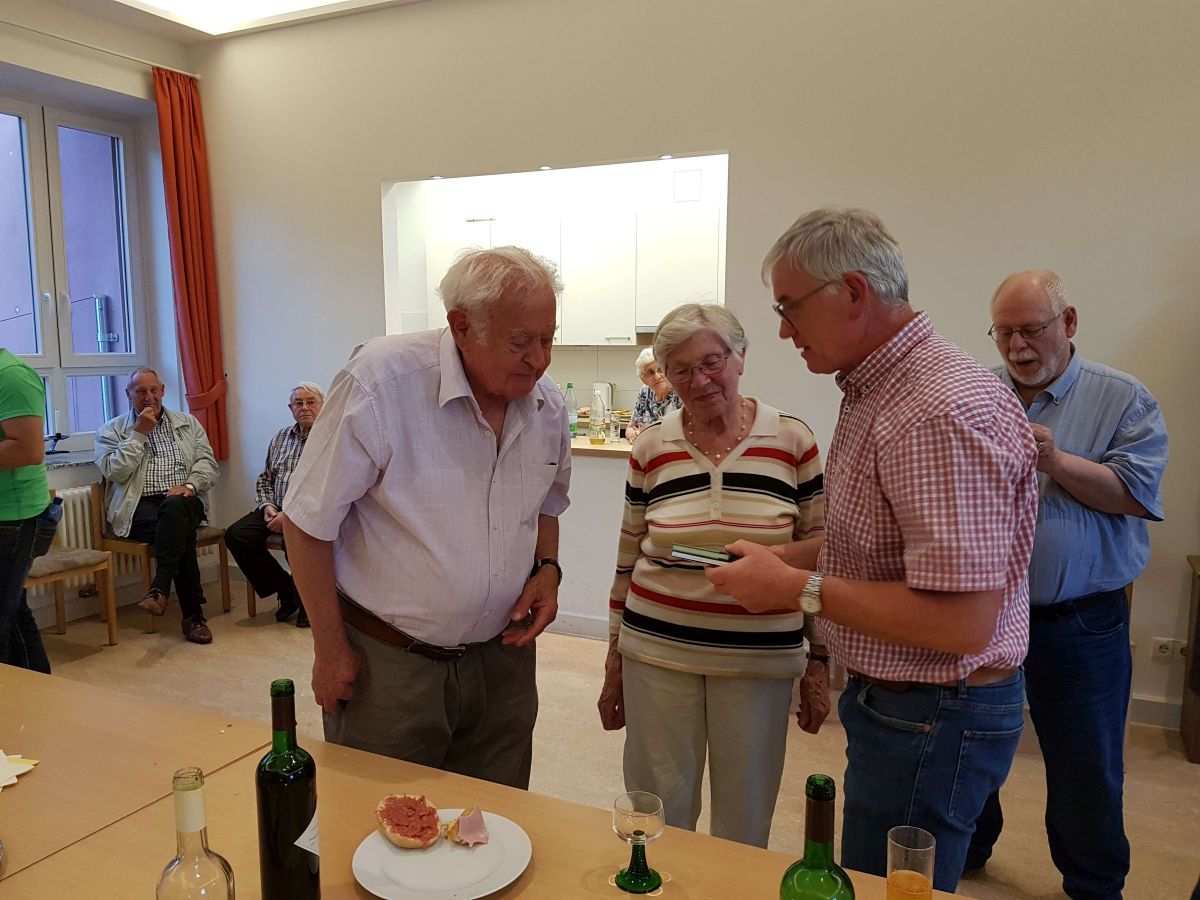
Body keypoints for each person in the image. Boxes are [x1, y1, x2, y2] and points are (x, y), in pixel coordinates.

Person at [707, 208, 1039, 891]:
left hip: (931, 710)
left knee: (891, 885)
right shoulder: (881, 386)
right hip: (908, 706)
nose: (783, 330)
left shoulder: (933, 407)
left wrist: (794, 590)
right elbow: (885, 544)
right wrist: (787, 558)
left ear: (853, 292)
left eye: (789, 307)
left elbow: (962, 621)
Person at [283, 246, 571, 789]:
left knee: (494, 818)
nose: (539, 360)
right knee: (380, 818)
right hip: (390, 662)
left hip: (504, 660)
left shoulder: (546, 404)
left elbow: (546, 503)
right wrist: (330, 649)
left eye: (547, 339)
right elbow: (305, 524)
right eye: (520, 342)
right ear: (461, 327)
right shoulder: (380, 383)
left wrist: (548, 568)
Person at [963, 271, 1168, 898]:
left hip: (1082, 619)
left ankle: (1094, 884)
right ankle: (969, 851)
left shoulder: (1122, 397)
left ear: (1069, 322)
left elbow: (1136, 494)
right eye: (1004, 333)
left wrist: (1055, 462)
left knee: (1087, 764)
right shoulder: (977, 393)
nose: (1017, 346)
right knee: (973, 743)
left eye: (1031, 330)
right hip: (986, 612)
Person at [598, 303, 829, 849]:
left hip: (758, 659)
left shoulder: (793, 441)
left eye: (711, 362)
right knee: (656, 809)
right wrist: (614, 656)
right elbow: (628, 555)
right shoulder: (650, 446)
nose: (699, 381)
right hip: (656, 650)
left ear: (740, 357)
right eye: (680, 369)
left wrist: (820, 658)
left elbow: (822, 556)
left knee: (745, 817)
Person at [96, 368, 219, 645]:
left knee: (175, 509)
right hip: (139, 506)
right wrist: (139, 434)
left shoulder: (188, 423)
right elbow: (115, 472)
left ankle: (160, 586)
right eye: (140, 391)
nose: (148, 397)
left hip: (186, 498)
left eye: (153, 390)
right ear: (128, 394)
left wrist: (190, 486)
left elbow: (207, 464)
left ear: (163, 390)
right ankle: (193, 616)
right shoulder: (111, 430)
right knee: (179, 532)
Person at [223, 382, 324, 628]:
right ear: (291, 408)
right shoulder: (280, 437)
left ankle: (309, 603)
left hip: (308, 512)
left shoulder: (330, 438)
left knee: (296, 540)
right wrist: (267, 505)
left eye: (311, 402)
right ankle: (286, 589)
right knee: (237, 535)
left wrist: (289, 516)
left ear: (323, 406)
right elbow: (265, 478)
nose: (304, 407)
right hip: (275, 507)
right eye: (298, 403)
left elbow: (324, 486)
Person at [0, 347, 53, 672]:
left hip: (13, 519)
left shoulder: (10, 374)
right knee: (13, 614)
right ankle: (38, 692)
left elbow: (29, 449)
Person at [623, 346, 681, 443]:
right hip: (648, 448)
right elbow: (630, 428)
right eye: (650, 372)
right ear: (643, 379)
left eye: (660, 370)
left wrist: (647, 434)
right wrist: (634, 435)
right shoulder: (645, 392)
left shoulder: (680, 393)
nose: (657, 376)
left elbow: (684, 433)